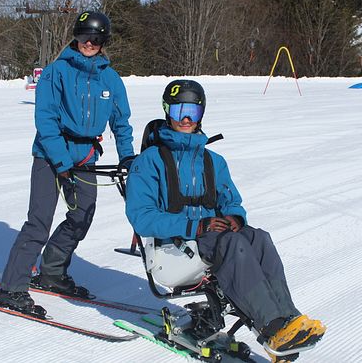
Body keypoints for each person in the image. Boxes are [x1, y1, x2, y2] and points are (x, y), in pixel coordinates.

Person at [125, 80, 325, 362]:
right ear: (167, 111)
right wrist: (194, 226)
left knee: (258, 237)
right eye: (179, 111)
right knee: (233, 244)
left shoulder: (213, 161)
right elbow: (141, 217)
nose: (185, 118)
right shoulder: (149, 161)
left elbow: (232, 202)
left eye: (192, 112)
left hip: (211, 242)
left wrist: (234, 217)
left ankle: (288, 320)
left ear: (201, 115)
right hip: (171, 251)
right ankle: (271, 326)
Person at [0, 11, 136, 312]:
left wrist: (128, 158)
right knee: (39, 223)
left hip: (84, 156)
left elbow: (121, 122)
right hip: (49, 154)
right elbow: (46, 120)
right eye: (84, 37)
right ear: (76, 37)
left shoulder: (110, 78)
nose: (89, 43)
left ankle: (52, 272)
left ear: (103, 42)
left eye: (95, 39)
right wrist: (62, 164)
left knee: (82, 215)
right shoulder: (55, 72)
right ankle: (12, 287)